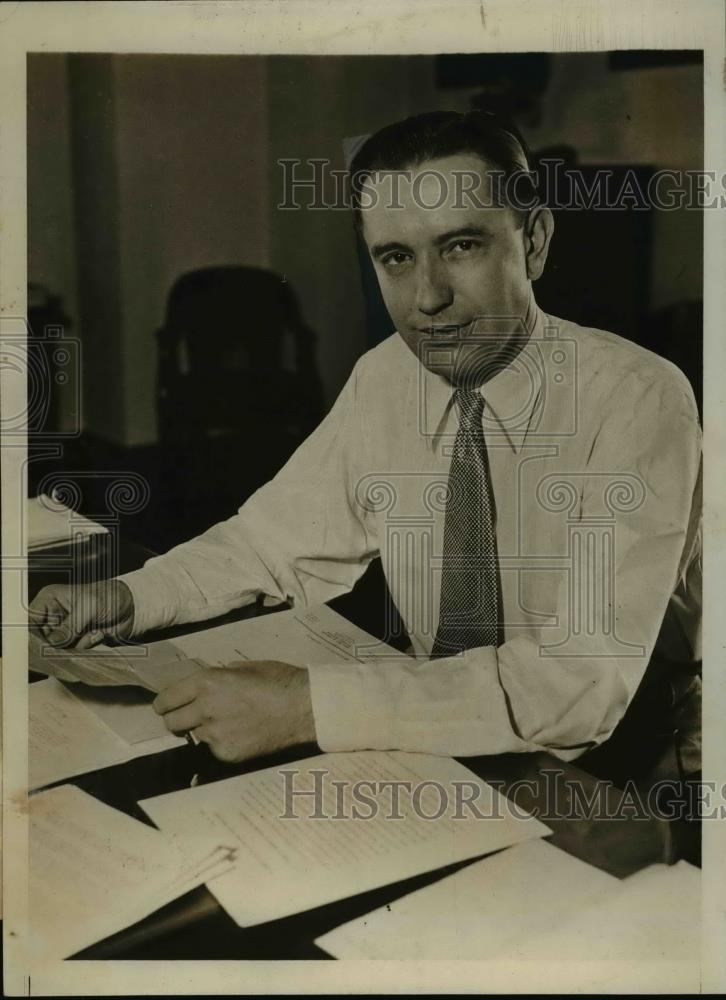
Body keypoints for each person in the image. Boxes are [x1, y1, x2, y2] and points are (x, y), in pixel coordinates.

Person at [30, 110, 701, 779]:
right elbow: (272, 542)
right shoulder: (387, 375)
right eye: (396, 258)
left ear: (534, 243)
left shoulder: (639, 400)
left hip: (631, 755)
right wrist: (127, 597)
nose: (427, 297)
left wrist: (307, 707)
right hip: (436, 730)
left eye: (461, 246)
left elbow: (578, 684)